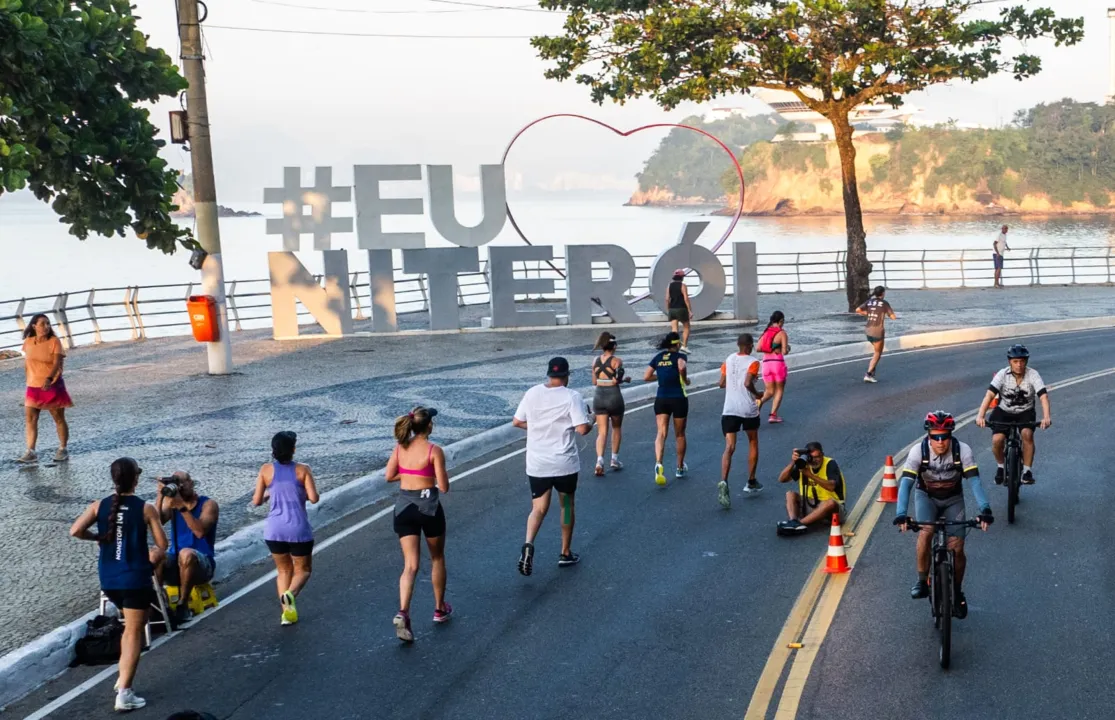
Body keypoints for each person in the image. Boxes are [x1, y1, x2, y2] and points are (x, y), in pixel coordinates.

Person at [69, 457, 168, 713]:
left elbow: (75, 530)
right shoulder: (146, 508)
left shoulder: (98, 506)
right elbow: (162, 544)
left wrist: (98, 537)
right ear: (136, 479)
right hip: (135, 579)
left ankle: (122, 677)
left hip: (109, 580)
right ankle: (125, 692)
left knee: (127, 630)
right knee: (134, 632)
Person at [894, 411, 992, 619]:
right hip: (926, 497)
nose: (940, 442)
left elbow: (974, 481)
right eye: (935, 437)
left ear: (950, 435)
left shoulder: (962, 451)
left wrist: (985, 509)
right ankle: (922, 581)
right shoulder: (917, 452)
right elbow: (906, 484)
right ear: (929, 436)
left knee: (956, 547)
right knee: (926, 532)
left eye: (944, 436)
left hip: (953, 499)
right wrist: (901, 514)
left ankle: (956, 591)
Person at [513, 357, 592, 576]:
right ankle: (565, 552)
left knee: (538, 508)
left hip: (538, 463)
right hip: (564, 464)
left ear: (548, 374)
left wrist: (538, 426)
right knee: (566, 506)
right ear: (567, 376)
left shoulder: (532, 393)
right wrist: (591, 419)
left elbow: (517, 421)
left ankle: (528, 544)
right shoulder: (572, 396)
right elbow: (582, 429)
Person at [386, 407, 451, 642]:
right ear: (430, 426)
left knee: (410, 565)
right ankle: (439, 609)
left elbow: (389, 476)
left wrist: (409, 475)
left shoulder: (400, 447)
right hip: (429, 508)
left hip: (404, 509)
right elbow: (443, 486)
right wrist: (427, 476)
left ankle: (403, 611)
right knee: (437, 558)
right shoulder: (435, 451)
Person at [252, 431, 319, 626]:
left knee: (283, 571)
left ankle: (287, 615)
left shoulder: (265, 470)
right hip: (298, 528)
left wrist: (270, 494)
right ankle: (291, 594)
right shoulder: (303, 469)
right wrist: (299, 495)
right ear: (294, 449)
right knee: (303, 570)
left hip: (274, 530)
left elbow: (256, 501)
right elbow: (314, 498)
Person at [975, 344, 1051, 485]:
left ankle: (1027, 472)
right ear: (1010, 361)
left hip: (1025, 412)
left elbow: (1043, 397)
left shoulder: (1033, 374)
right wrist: (980, 415)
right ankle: (1000, 467)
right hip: (1004, 411)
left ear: (1026, 362)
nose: (1019, 365)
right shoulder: (1002, 374)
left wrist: (1046, 417)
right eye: (1015, 361)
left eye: (1022, 361)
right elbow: (989, 395)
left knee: (1027, 434)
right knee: (997, 439)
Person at [154, 472, 219, 626]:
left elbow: (199, 531)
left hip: (203, 565)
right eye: (177, 484)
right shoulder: (173, 504)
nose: (181, 487)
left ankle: (183, 605)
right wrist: (160, 495)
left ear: (191, 482)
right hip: (176, 562)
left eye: (183, 482)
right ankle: (159, 605)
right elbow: (157, 522)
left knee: (186, 553)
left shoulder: (208, 505)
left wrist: (182, 508)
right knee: (155, 554)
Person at [18, 313, 73, 464]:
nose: (46, 327)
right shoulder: (28, 342)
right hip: (32, 385)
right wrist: (29, 379)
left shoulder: (54, 341)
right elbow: (28, 362)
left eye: (48, 324)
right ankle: (31, 451)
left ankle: (62, 448)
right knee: (30, 418)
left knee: (58, 418)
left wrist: (49, 378)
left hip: (51, 385)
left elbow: (56, 363)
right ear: (34, 326)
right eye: (42, 324)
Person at [718, 332, 764, 508]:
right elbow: (746, 383)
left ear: (738, 345)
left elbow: (721, 383)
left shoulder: (728, 360)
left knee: (729, 447)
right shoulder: (753, 362)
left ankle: (724, 481)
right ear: (750, 345)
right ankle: (751, 481)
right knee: (752, 441)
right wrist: (757, 392)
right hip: (747, 408)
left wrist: (733, 381)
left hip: (729, 408)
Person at [645, 331, 690, 485]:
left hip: (661, 398)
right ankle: (679, 467)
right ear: (677, 344)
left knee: (661, 432)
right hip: (678, 398)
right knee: (680, 434)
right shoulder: (681, 357)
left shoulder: (658, 358)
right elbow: (682, 371)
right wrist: (685, 379)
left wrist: (660, 376)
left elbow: (646, 377)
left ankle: (659, 463)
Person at [776, 442, 845, 535]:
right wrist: (793, 462)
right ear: (808, 457)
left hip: (832, 511)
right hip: (810, 506)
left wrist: (810, 475)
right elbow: (782, 479)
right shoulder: (803, 464)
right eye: (812, 457)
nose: (816, 460)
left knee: (830, 503)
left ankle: (799, 524)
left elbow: (831, 486)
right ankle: (793, 521)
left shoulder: (830, 463)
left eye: (818, 456)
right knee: (790, 494)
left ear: (823, 455)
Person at [590, 331, 631, 476]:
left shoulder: (595, 361)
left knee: (601, 432)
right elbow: (616, 380)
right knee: (616, 427)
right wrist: (626, 379)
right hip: (614, 396)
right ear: (614, 346)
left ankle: (599, 461)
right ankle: (614, 459)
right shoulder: (617, 361)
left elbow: (594, 382)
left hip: (599, 396)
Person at [855, 286, 897, 383]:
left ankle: (872, 369)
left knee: (876, 349)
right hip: (878, 331)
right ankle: (868, 374)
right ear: (883, 293)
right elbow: (893, 317)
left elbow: (858, 310)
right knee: (878, 353)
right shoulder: (885, 303)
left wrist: (869, 314)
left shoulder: (870, 301)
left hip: (868, 330)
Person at [757, 311, 789, 423]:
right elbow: (784, 351)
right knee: (779, 389)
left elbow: (758, 348)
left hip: (766, 363)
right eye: (783, 322)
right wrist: (786, 348)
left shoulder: (765, 332)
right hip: (777, 363)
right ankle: (773, 415)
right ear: (780, 321)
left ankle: (758, 403)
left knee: (769, 391)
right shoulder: (782, 333)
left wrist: (769, 348)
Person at [666, 269, 693, 353]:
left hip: (672, 309)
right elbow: (686, 298)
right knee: (686, 327)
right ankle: (684, 346)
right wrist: (690, 310)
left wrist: (668, 310)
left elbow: (667, 299)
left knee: (674, 329)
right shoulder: (683, 285)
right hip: (682, 309)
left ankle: (675, 347)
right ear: (682, 277)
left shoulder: (669, 286)